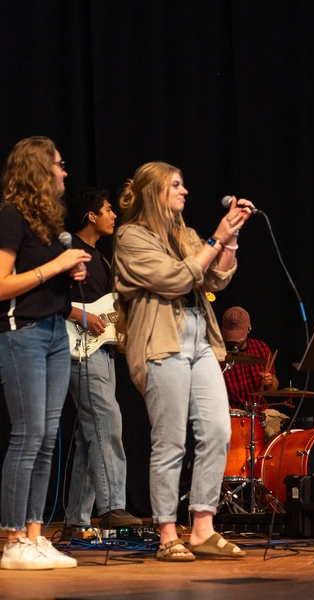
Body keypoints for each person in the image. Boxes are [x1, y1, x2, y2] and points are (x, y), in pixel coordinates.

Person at [113, 162, 253, 562]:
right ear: (153, 192)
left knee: (218, 430)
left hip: (200, 337)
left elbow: (216, 280)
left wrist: (230, 238)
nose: (185, 191)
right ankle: (167, 531)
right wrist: (217, 238)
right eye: (175, 185)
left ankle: (203, 527)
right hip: (162, 340)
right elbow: (175, 278)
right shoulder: (131, 236)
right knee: (170, 439)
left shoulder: (186, 233)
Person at [0, 136, 92, 570]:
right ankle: (11, 538)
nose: (64, 172)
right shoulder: (11, 216)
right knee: (28, 434)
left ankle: (35, 535)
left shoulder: (47, 224)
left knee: (48, 437)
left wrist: (69, 273)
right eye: (58, 164)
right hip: (24, 333)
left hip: (56, 331)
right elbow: (0, 284)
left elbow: (50, 280)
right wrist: (54, 266)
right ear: (38, 170)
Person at [62, 187, 141, 539]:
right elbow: (44, 293)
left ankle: (77, 522)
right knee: (107, 424)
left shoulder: (103, 259)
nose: (113, 215)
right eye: (108, 210)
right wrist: (77, 313)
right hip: (79, 350)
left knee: (88, 437)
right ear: (91, 216)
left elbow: (107, 307)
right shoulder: (66, 250)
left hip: (102, 351)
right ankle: (112, 507)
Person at [220, 306, 279, 409]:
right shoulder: (216, 353)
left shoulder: (261, 348)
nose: (234, 341)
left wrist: (270, 383)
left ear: (249, 328)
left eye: (238, 335)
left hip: (259, 411)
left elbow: (273, 388)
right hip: (230, 414)